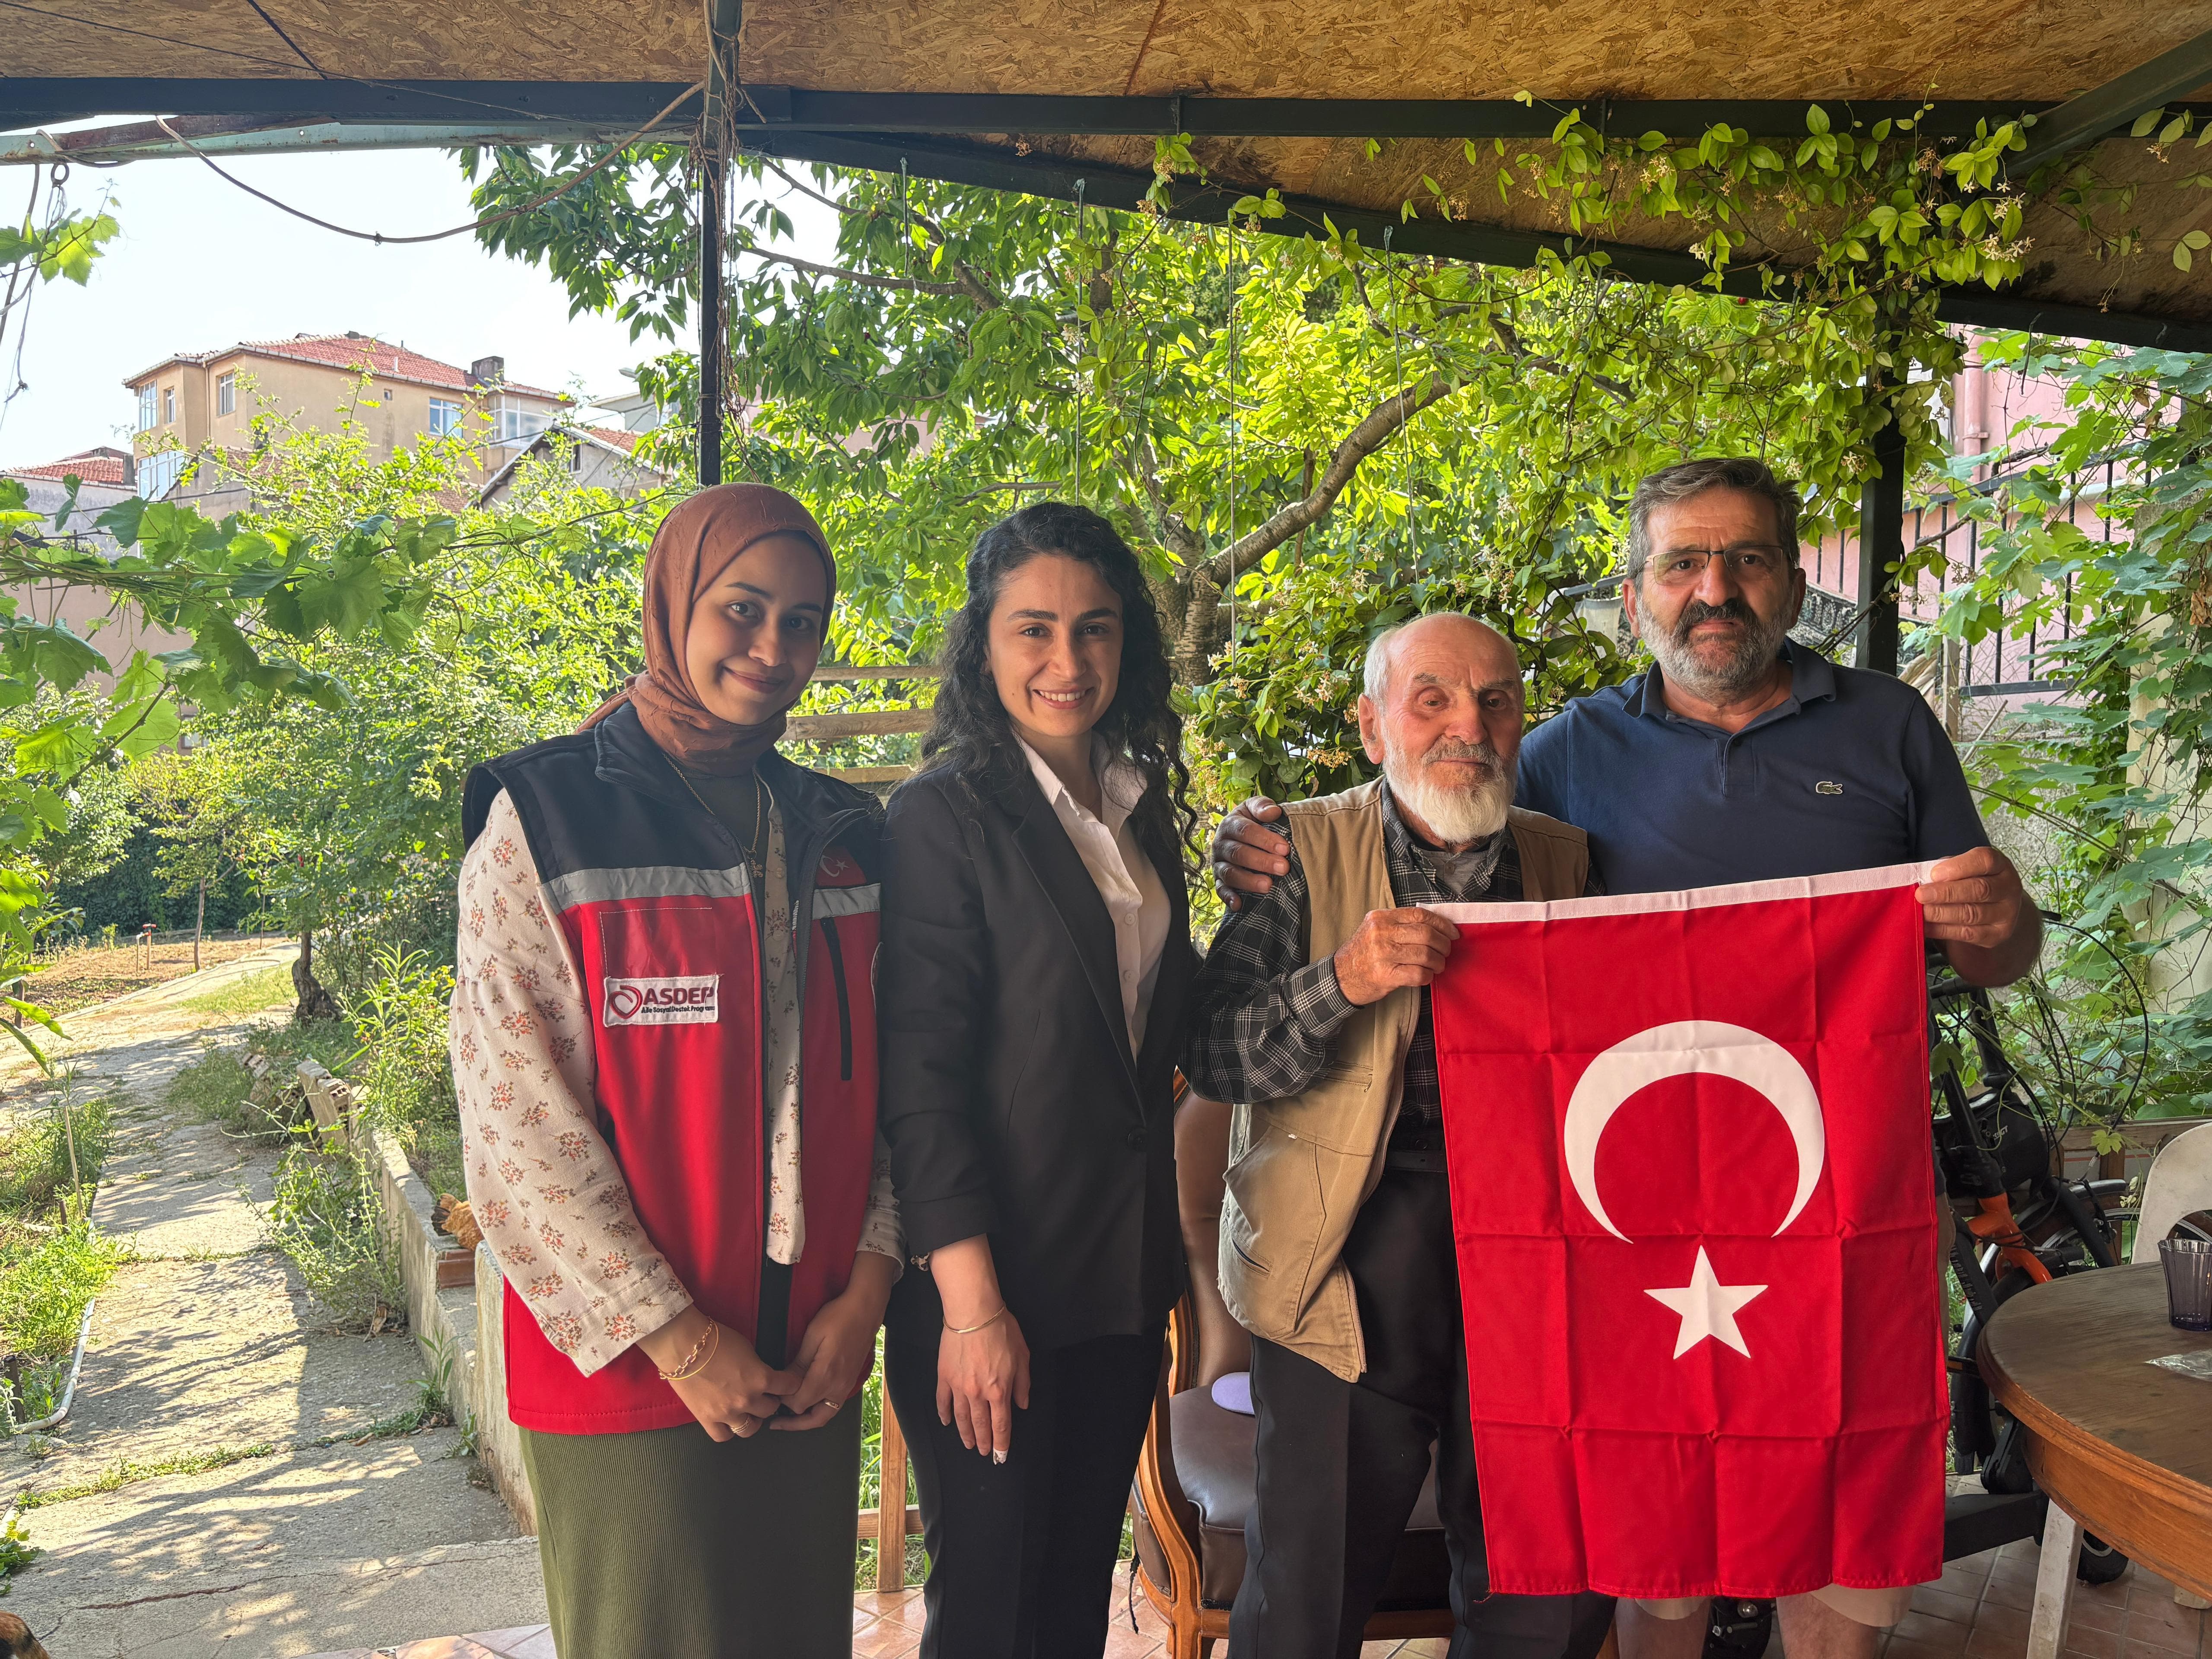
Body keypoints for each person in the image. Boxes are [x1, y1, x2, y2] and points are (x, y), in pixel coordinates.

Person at [1210, 458, 2042, 1659]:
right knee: (1650, 1544)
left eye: (1748, 559)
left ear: (1795, 580)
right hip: (1608, 1227)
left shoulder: (1888, 728)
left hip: (1833, 1199)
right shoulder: (1563, 755)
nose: (1717, 589)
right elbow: (1418, 821)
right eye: (1684, 564)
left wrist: (2002, 918)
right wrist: (1261, 844)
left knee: (1826, 1536)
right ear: (1637, 589)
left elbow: (1993, 954)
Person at [450, 483, 900, 1657]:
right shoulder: (545, 819)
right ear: (671, 605)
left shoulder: (842, 833)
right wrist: (681, 1342)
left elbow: (895, 1088)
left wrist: (867, 1295)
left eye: (803, 622)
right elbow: (517, 1133)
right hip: (635, 1376)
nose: (772, 648)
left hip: (809, 1358)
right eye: (741, 608)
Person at [1184, 612, 1617, 1659]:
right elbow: (1217, 1057)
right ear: (1373, 726)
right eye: (1433, 699)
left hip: (1532, 1255)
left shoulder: (1568, 860)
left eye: (1495, 701)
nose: (1467, 724)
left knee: (1544, 1581)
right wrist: (1341, 982)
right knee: (1304, 1595)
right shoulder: (1293, 848)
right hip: (1338, 1255)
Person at [877, 502, 1199, 1658]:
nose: (1069, 662)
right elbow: (916, 1078)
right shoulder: (942, 816)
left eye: (1097, 630)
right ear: (985, 643)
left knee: (1066, 1605)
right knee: (993, 1615)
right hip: (993, 1289)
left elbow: (1170, 1028)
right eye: (1035, 631)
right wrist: (972, 1310)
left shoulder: (1137, 805)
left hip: (1117, 1282)